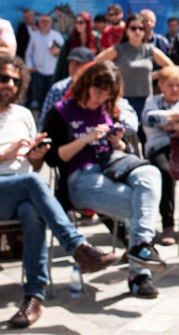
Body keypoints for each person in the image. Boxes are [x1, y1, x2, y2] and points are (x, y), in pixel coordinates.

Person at [0, 54, 118, 328]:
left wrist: (35, 156)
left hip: (22, 190)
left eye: (15, 81)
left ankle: (33, 298)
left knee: (32, 208)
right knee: (33, 185)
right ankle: (79, 248)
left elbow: (34, 166)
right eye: (3, 78)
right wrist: (4, 154)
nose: (9, 85)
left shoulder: (23, 114)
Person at [43, 61, 167, 298]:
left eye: (107, 93)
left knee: (151, 173)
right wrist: (87, 138)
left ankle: (140, 247)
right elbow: (53, 158)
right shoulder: (62, 111)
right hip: (80, 175)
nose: (101, 98)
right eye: (98, 91)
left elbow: (120, 148)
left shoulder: (109, 108)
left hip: (114, 164)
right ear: (87, 84)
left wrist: (116, 141)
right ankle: (139, 274)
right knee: (139, 203)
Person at [142, 65, 179, 246]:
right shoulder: (153, 101)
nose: (174, 89)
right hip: (160, 148)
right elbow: (149, 119)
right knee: (165, 171)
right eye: (170, 85)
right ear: (161, 85)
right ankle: (168, 224)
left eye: (178, 85)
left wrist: (169, 123)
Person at [95, 13, 174, 117]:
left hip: (146, 100)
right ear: (127, 30)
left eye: (141, 28)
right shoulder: (119, 49)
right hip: (122, 100)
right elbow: (96, 62)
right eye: (133, 28)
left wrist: (154, 75)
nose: (137, 31)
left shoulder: (150, 49)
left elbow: (171, 67)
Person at [39, 46, 94, 130]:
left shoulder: (96, 90)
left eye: (78, 64)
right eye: (71, 63)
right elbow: (45, 119)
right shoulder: (58, 88)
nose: (73, 67)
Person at [24, 13, 64, 110]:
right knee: (40, 97)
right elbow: (28, 53)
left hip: (53, 72)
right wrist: (30, 65)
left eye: (47, 21)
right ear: (39, 23)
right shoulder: (34, 36)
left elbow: (64, 53)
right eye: (43, 21)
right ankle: (42, 117)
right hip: (39, 72)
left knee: (53, 97)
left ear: (51, 23)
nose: (45, 23)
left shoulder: (56, 35)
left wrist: (58, 52)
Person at [53, 11, 99, 83]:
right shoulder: (70, 39)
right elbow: (62, 62)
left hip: (90, 76)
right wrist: (56, 80)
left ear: (87, 23)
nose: (78, 25)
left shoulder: (95, 38)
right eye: (76, 22)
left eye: (81, 22)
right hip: (73, 76)